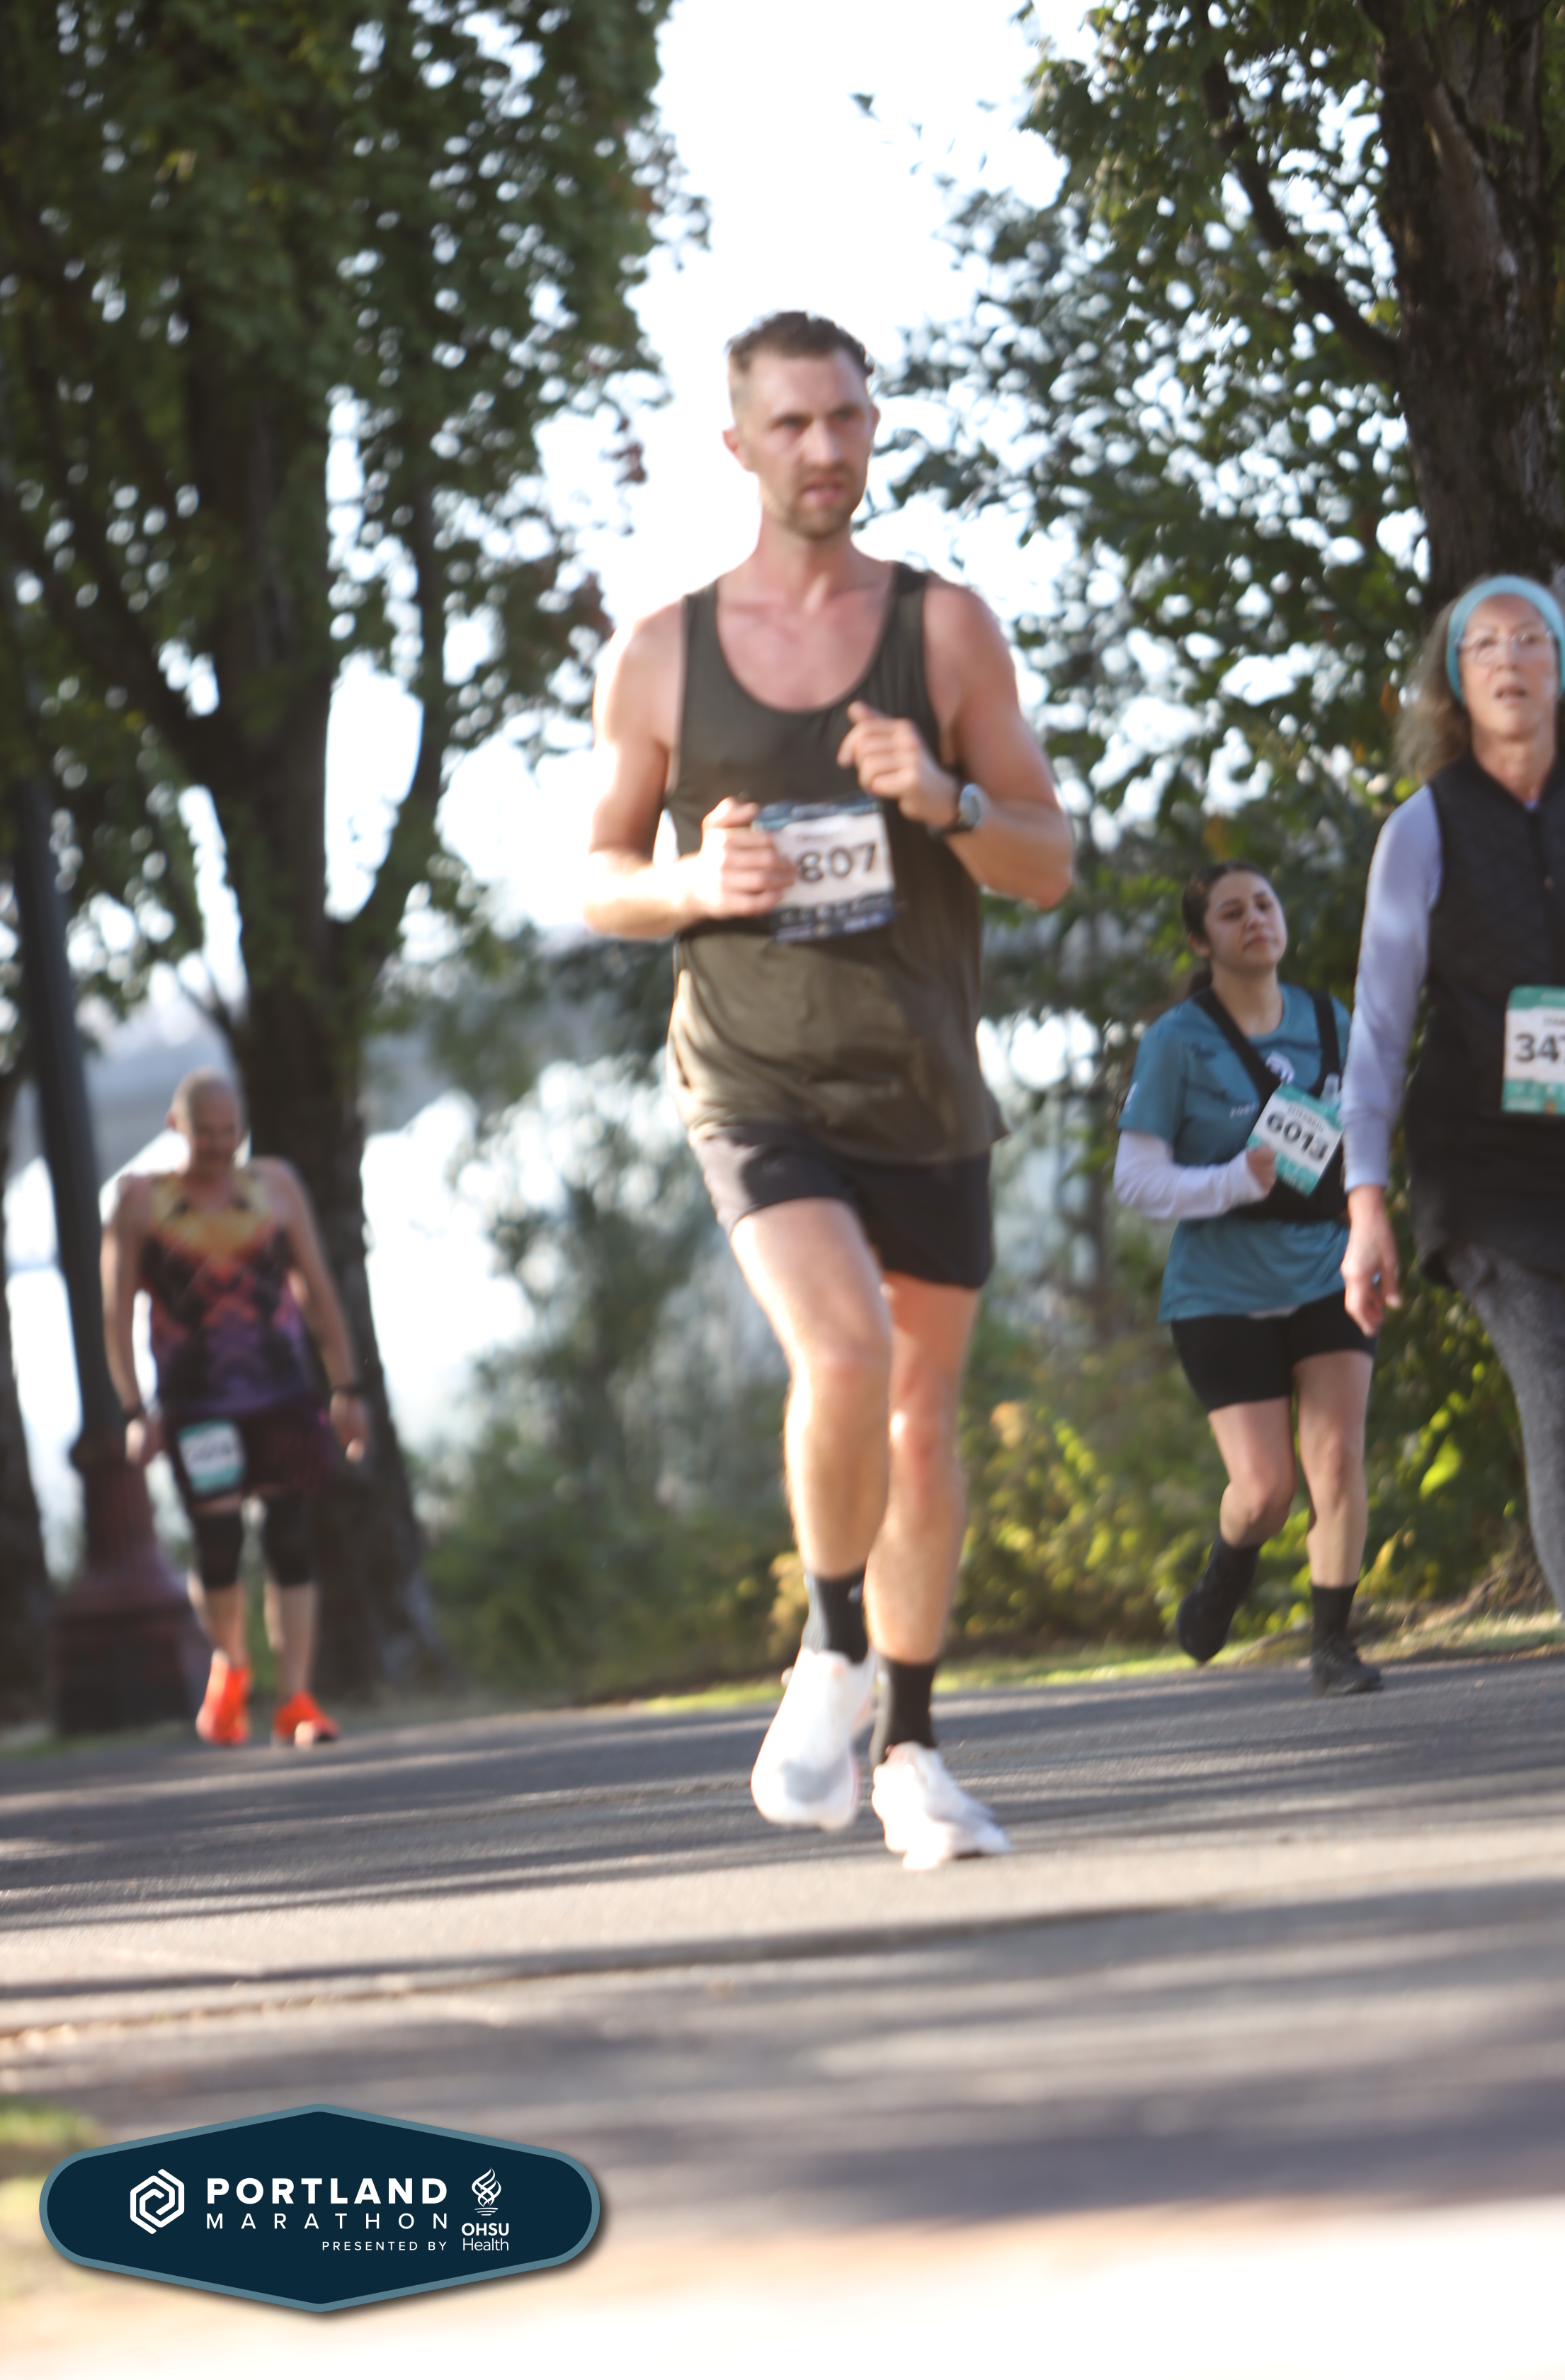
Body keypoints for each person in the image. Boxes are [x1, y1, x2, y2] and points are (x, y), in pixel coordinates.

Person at [583, 310, 1071, 1866]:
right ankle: (830, 1647)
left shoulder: (943, 630)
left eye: (846, 418)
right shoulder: (662, 651)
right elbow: (598, 875)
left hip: (918, 1079)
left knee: (921, 1427)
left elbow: (1048, 863)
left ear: (872, 428)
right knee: (844, 1349)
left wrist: (946, 798)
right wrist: (690, 884)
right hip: (753, 1075)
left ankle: (911, 1753)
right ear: (737, 444)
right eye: (792, 424)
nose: (824, 448)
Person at [1341, 573, 1565, 1764]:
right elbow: (1380, 1027)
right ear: (1454, 681)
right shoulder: (1423, 829)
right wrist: (1365, 1205)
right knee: (1562, 1405)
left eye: (1532, 639)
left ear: (1563, 668)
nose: (1509, 659)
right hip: (1483, 1169)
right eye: (1483, 644)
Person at [1114, 863, 1382, 1694]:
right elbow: (1135, 1180)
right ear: (1202, 941)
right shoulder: (1176, 1041)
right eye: (1230, 913)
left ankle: (1331, 1646)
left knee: (1335, 1457)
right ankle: (1227, 1567)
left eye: (1263, 904)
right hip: (1219, 1290)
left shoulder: (1329, 1021)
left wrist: (1371, 1228)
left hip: (1325, 1268)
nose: (1254, 920)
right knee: (1265, 1492)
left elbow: (1366, 1136)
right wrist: (1230, 1181)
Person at [102, 1069, 369, 1747]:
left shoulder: (275, 1187)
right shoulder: (141, 1202)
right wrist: (134, 1410)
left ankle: (297, 1699)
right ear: (176, 1127)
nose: (222, 1145)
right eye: (207, 1133)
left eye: (231, 1131)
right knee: (219, 1542)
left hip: (282, 1393)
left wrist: (347, 1388)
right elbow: (114, 1314)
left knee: (289, 1536)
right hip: (197, 1404)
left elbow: (317, 1289)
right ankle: (232, 1663)